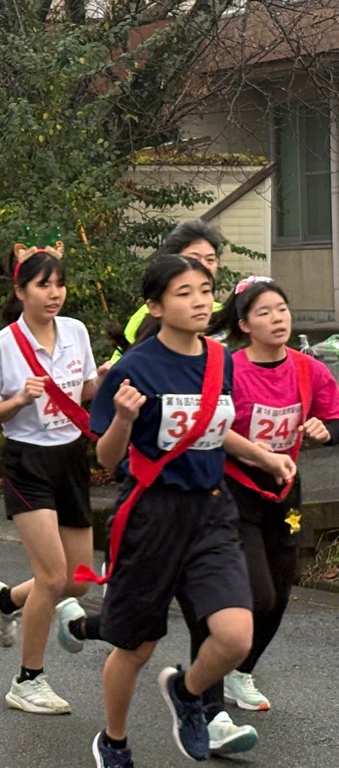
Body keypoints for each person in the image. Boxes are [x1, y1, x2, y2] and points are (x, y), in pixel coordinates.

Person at [86, 254, 296, 768]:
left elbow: (211, 426)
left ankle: (187, 691)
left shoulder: (221, 361)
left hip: (212, 512)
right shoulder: (134, 368)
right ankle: (113, 740)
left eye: (206, 289)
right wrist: (123, 419)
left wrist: (263, 455)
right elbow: (106, 457)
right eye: (184, 292)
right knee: (136, 648)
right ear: (156, 306)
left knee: (234, 635)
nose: (201, 300)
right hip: (151, 516)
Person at [190, 277, 339, 729]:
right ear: (244, 324)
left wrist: (322, 430)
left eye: (282, 309)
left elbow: (334, 418)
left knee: (280, 590)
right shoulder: (230, 369)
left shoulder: (307, 369)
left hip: (284, 492)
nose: (278, 319)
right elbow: (211, 426)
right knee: (254, 590)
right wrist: (260, 456)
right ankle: (210, 679)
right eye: (265, 313)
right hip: (235, 491)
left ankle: (241, 670)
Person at [0, 242, 97, 715]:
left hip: (71, 457)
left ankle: (8, 600)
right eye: (43, 285)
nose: (54, 294)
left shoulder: (76, 332)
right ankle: (28, 679)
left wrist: (108, 378)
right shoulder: (1, 346)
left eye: (59, 284)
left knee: (79, 579)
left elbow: (86, 388)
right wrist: (18, 401)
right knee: (51, 576)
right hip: (27, 459)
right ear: (21, 290)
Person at [108, 219, 224, 365]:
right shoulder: (146, 314)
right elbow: (121, 361)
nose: (203, 266)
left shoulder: (224, 314)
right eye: (194, 258)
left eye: (210, 259)